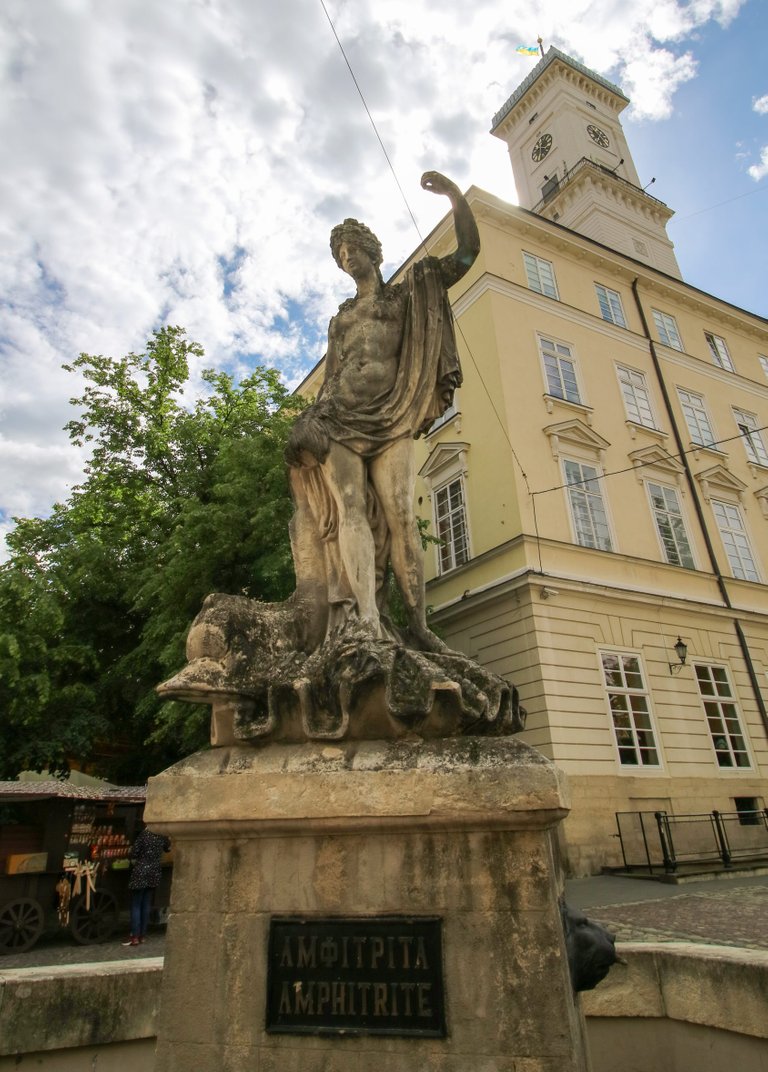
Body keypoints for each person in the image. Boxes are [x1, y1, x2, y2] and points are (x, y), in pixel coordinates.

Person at [285, 171, 480, 653]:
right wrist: (309, 421)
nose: (345, 257)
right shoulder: (341, 318)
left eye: (351, 248)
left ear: (372, 250)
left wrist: (455, 198)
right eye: (339, 254)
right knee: (351, 510)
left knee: (399, 516)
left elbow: (465, 257)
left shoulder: (405, 294)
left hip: (391, 414)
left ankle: (418, 626)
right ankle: (366, 618)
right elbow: (330, 377)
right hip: (339, 418)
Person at [122, 825, 170, 947]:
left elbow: (134, 852)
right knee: (146, 903)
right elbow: (168, 848)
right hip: (154, 872)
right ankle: (142, 935)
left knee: (136, 904)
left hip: (141, 871)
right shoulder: (161, 836)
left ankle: (135, 936)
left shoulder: (144, 835)